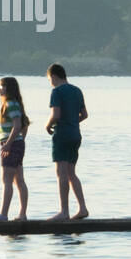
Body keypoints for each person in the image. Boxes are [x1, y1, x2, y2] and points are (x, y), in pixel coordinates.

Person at [44, 63, 89, 221]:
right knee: (71, 172)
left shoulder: (57, 91)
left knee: (61, 172)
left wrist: (48, 125)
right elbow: (84, 114)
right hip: (75, 134)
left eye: (49, 79)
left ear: (54, 76)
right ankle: (82, 208)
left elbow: (55, 114)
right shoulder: (77, 90)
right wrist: (72, 121)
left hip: (62, 134)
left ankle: (64, 211)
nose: (50, 82)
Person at [0, 76, 30, 222]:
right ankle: (22, 214)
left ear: (8, 88)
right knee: (19, 180)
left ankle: (3, 214)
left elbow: (18, 125)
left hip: (11, 145)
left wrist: (8, 143)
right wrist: (20, 141)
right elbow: (24, 125)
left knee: (7, 180)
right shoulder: (14, 104)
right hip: (16, 144)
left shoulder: (10, 104)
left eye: (1, 87)